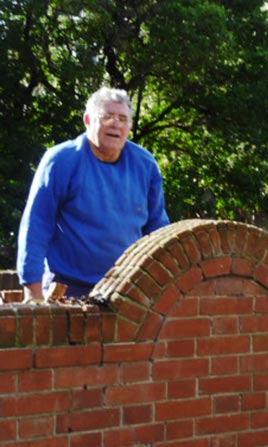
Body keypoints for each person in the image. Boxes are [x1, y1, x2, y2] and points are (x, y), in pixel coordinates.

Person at [16, 86, 170, 301]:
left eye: (122, 118)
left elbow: (158, 231)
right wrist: (32, 291)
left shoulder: (146, 165)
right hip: (66, 288)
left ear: (130, 126)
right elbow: (36, 225)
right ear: (88, 120)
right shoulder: (61, 160)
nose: (115, 123)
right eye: (107, 116)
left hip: (126, 290)